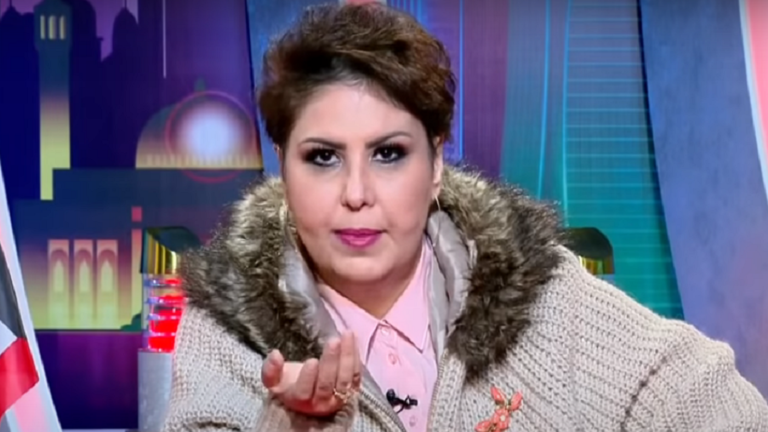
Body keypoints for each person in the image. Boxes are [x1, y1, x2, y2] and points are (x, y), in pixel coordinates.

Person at [161, 3, 768, 431]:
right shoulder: (226, 332)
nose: (356, 193)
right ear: (281, 166)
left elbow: (710, 400)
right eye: (323, 157)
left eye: (388, 154)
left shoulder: (540, 295)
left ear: (435, 166)